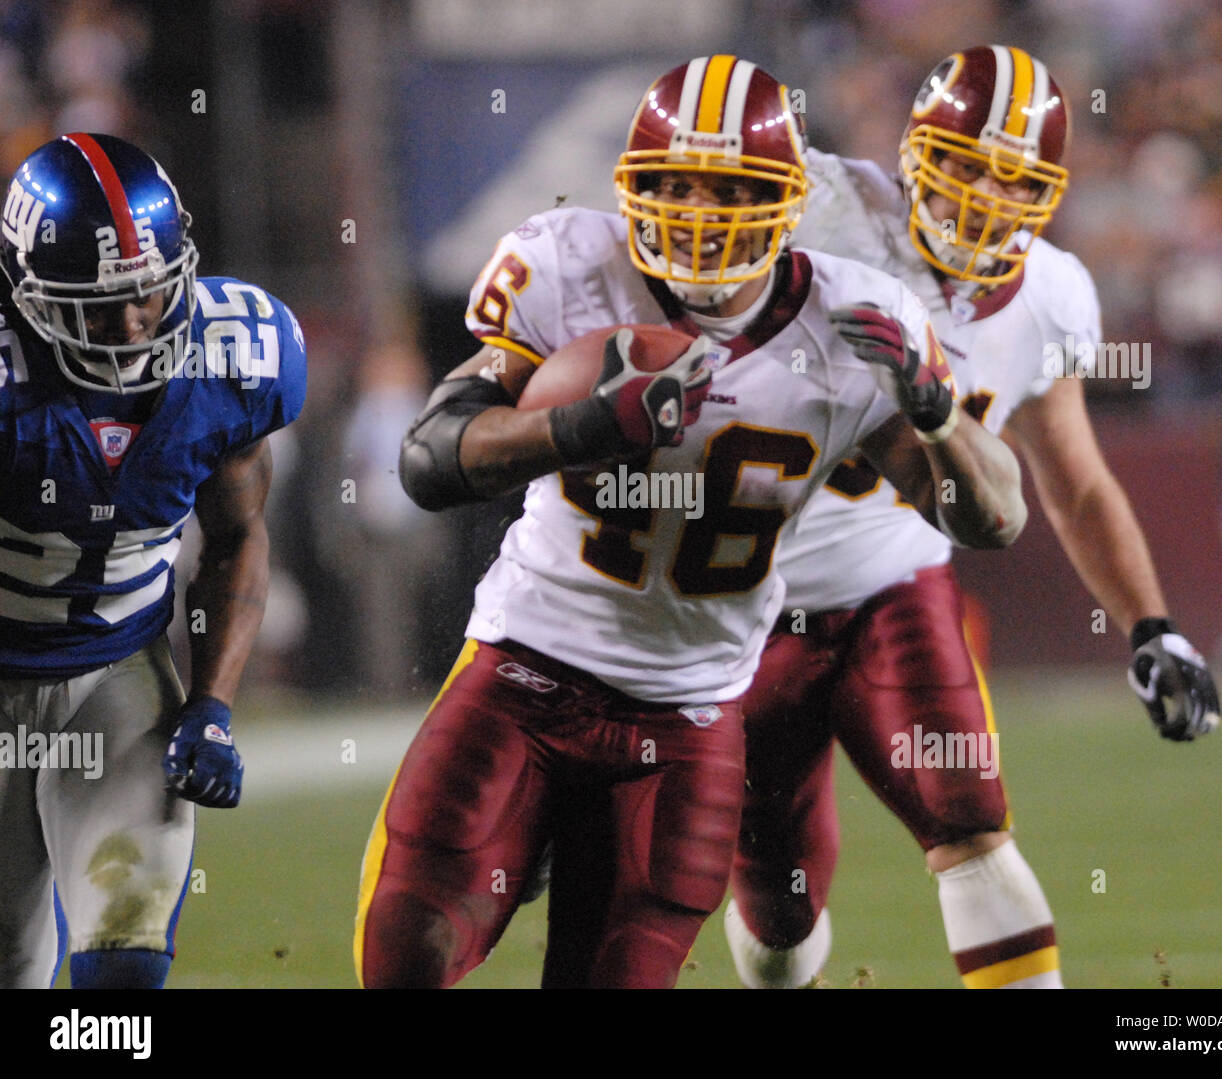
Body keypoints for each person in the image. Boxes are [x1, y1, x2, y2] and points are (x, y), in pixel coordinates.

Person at [354, 54, 1027, 990]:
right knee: (405, 957)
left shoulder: (856, 320)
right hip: (524, 665)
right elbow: (429, 457)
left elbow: (992, 517)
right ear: (633, 186)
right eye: (676, 186)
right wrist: (582, 426)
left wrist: (940, 416)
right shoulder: (571, 263)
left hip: (686, 716)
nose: (702, 216)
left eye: (730, 189)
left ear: (786, 200)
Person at [723, 45, 1222, 989]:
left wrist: (1153, 627)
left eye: (1008, 175)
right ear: (913, 151)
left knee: (971, 818)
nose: (976, 192)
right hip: (744, 605)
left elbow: (1074, 480)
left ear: (1047, 191)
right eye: (957, 161)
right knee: (778, 908)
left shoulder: (1053, 294)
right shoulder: (817, 209)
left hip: (894, 587)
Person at [0, 133, 307, 988]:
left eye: (148, 294)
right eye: (99, 306)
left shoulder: (231, 355)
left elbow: (240, 537)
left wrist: (211, 704)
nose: (133, 325)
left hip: (116, 674)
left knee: (123, 965)